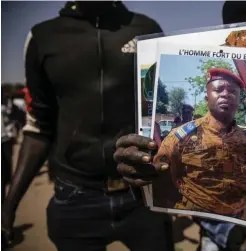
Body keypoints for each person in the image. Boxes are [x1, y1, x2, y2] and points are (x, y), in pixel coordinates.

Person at [113, 1, 246, 251]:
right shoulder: (183, 135)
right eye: (240, 37)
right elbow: (176, 182)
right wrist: (143, 171)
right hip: (215, 234)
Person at [1, 2, 174, 251]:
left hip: (141, 193)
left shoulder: (146, 29)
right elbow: (39, 127)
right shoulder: (43, 37)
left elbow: (163, 111)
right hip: (75, 195)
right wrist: (8, 207)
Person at [153, 68, 246, 216]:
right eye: (218, 89)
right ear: (206, 98)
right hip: (195, 216)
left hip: (235, 218)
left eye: (233, 92)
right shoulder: (181, 136)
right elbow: (161, 176)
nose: (226, 94)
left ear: (239, 101)